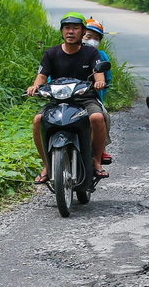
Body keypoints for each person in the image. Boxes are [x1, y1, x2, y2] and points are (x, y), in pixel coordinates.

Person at [27, 12, 109, 184]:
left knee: (97, 117)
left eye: (75, 28)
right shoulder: (51, 53)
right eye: (67, 28)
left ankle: (96, 160)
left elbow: (99, 74)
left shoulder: (91, 52)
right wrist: (35, 86)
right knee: (37, 120)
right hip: (57, 100)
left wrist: (99, 83)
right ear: (62, 31)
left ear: (82, 31)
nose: (71, 32)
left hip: (85, 99)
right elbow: (42, 75)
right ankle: (46, 166)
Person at [82, 19, 113, 165]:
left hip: (91, 97)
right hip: (67, 95)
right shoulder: (65, 52)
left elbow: (106, 78)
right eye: (88, 37)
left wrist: (101, 86)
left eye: (96, 38)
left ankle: (100, 150)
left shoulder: (100, 56)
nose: (92, 41)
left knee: (103, 117)